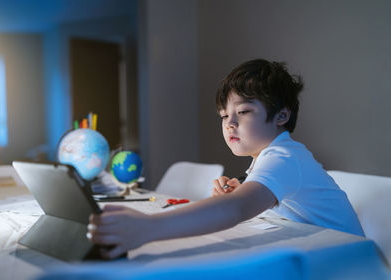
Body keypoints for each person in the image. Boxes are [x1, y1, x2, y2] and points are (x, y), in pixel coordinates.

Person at [88, 59, 364, 259]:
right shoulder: (271, 157)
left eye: (243, 111)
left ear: (282, 115)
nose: (229, 123)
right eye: (223, 115)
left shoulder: (284, 157)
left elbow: (234, 210)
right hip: (319, 256)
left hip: (349, 266)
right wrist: (244, 194)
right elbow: (269, 210)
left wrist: (148, 227)